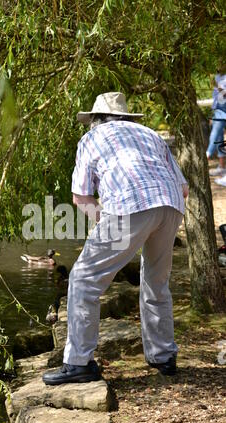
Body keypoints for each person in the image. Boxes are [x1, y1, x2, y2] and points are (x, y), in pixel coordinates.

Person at [42, 92, 188, 386]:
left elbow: (80, 196)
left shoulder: (91, 139)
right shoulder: (150, 135)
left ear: (95, 120)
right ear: (125, 117)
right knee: (156, 281)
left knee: (84, 278)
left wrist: (108, 227)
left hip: (128, 208)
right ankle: (163, 357)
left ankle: (78, 363)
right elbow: (183, 188)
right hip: (171, 206)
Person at [206, 67, 226, 182]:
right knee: (218, 138)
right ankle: (222, 167)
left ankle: (206, 157)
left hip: (223, 110)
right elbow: (215, 97)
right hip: (217, 109)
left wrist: (219, 88)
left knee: (214, 134)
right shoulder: (217, 76)